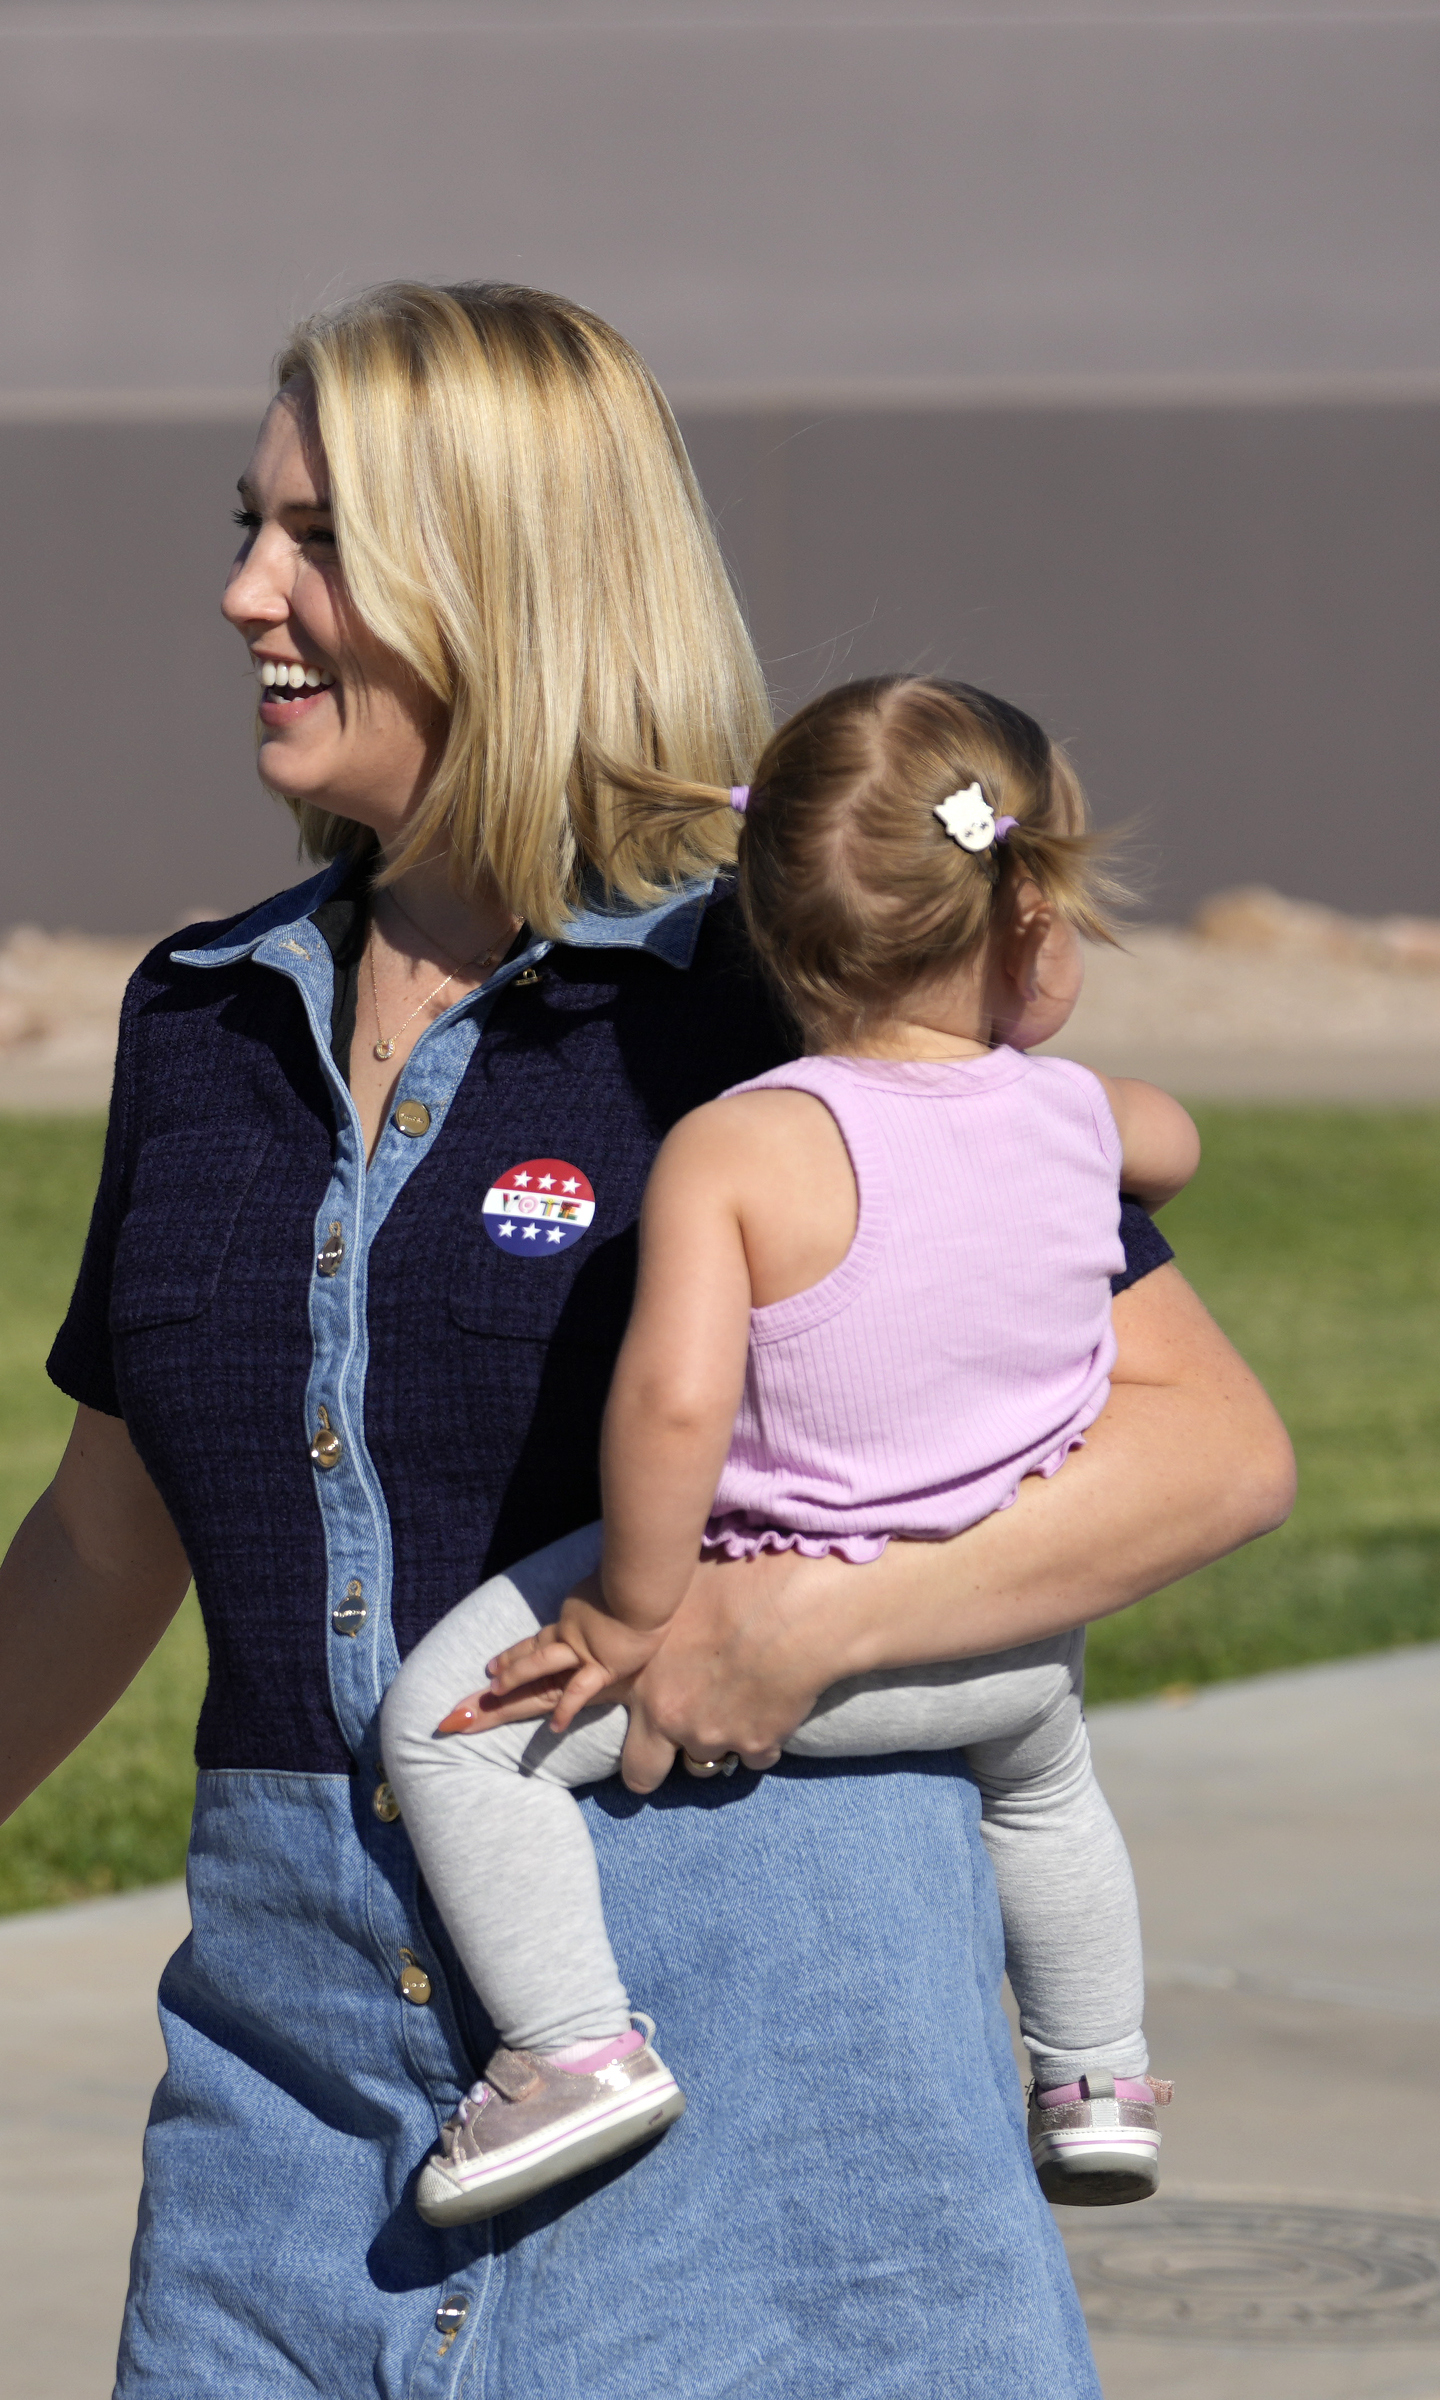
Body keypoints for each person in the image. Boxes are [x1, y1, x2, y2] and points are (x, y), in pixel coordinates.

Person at [0, 283, 1293, 2396]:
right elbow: (114, 1522)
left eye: (322, 540)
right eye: (255, 524)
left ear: (507, 581)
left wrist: (807, 1630)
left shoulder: (769, 988)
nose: (247, 589)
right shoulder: (208, 1017)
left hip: (773, 2113)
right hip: (300, 2134)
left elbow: (1208, 1445)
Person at [380, 675, 1207, 2229]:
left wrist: (629, 1612)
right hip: (1008, 1643)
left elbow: (676, 1406)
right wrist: (1046, 1065)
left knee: (444, 1731)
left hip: (782, 1620)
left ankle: (570, 2050)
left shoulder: (741, 1145)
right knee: (1050, 1804)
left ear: (768, 933)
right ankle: (1098, 2073)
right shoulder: (1087, 1122)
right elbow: (1178, 1143)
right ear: (1032, 918)